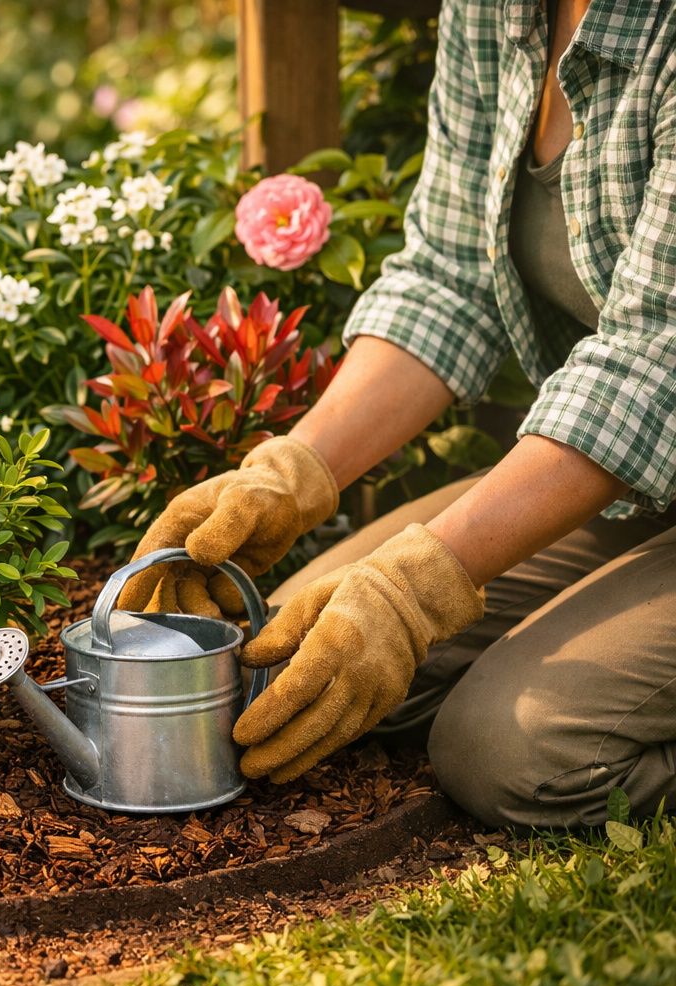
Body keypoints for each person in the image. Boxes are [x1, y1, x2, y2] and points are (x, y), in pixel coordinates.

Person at [119, 0, 676, 829]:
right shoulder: (498, 10)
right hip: (636, 483)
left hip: (647, 414)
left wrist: (417, 589)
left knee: (510, 754)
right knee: (292, 664)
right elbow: (449, 277)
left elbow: (653, 359)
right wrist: (291, 472)